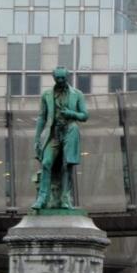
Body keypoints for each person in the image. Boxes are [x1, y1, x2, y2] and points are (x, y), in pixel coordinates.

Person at [32, 66, 89, 210]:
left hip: (70, 130)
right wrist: (37, 139)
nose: (61, 80)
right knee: (46, 162)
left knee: (66, 165)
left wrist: (71, 113)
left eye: (63, 77)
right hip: (54, 133)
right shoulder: (46, 95)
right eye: (58, 78)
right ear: (54, 78)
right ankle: (42, 198)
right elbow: (41, 118)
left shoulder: (77, 94)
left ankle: (65, 198)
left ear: (67, 77)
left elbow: (84, 115)